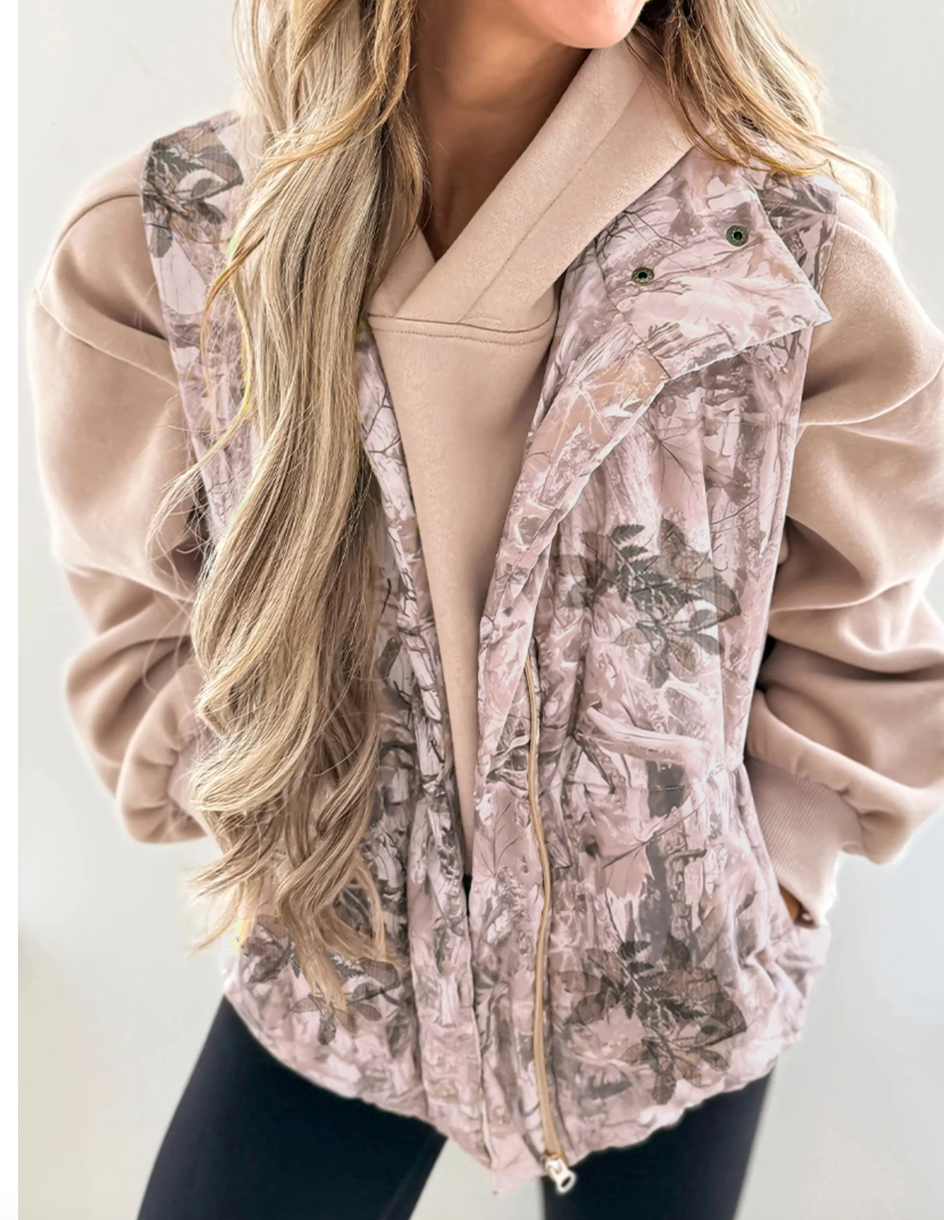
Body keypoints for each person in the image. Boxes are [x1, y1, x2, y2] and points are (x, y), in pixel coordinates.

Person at [27, 0, 944, 1217]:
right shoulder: (177, 242)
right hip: (338, 976)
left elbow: (859, 621)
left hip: (675, 991)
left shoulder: (773, 254)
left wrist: (767, 879)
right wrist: (285, 838)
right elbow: (147, 618)